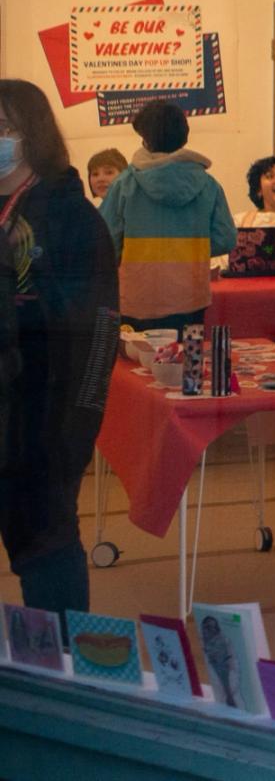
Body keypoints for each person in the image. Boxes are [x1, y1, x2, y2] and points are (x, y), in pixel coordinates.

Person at [0, 79, 120, 621]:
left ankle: (66, 673)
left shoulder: (72, 218)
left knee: (45, 549)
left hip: (41, 422)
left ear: (33, 136)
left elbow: (95, 339)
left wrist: (69, 438)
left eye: (3, 129)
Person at [98, 101, 234, 332]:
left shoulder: (125, 185)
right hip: (191, 297)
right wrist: (188, 249)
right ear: (184, 137)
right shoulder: (208, 185)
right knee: (186, 362)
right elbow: (226, 238)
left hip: (137, 296)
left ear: (145, 139)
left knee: (136, 365)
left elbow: (105, 241)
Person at [210, 155, 275, 273]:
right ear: (259, 190)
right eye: (270, 176)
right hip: (247, 288)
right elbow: (220, 260)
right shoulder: (238, 222)